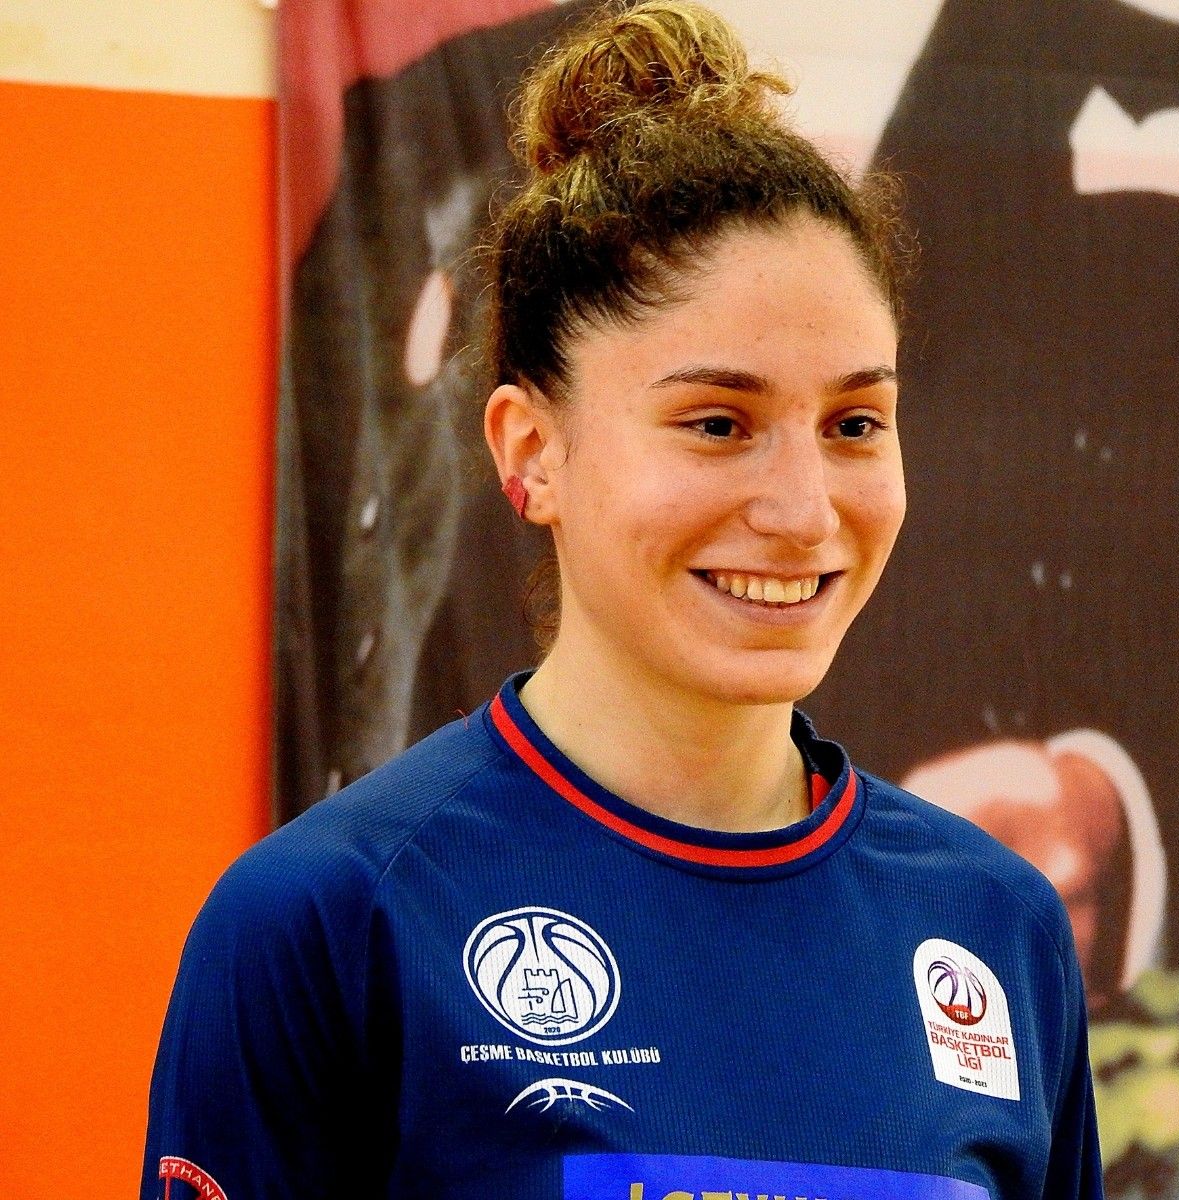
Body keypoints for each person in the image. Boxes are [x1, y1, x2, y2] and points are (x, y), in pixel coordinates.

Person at [142, 4, 1103, 1197]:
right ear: (531, 451)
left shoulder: (996, 923)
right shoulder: (329, 920)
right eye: (718, 424)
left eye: (855, 423)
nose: (804, 509)